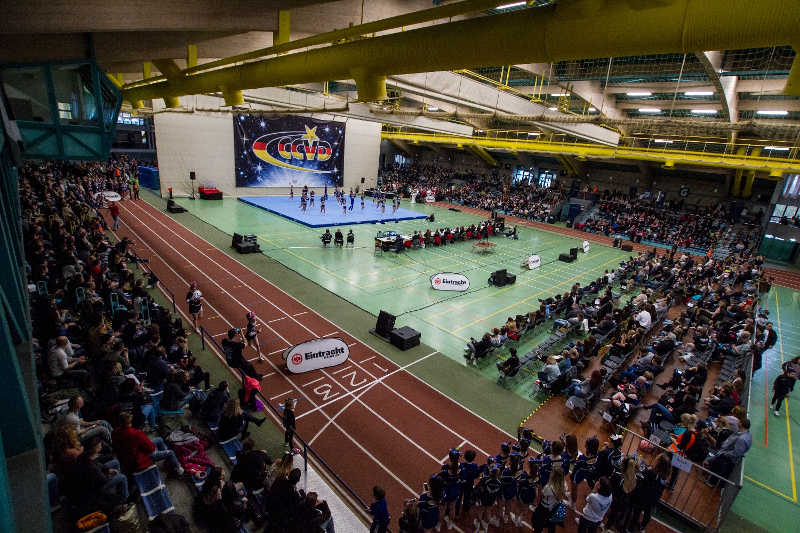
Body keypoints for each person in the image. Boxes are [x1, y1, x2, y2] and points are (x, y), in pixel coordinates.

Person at [111, 412, 184, 476]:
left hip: (125, 458)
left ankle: (168, 462)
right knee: (170, 452)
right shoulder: (136, 433)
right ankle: (179, 471)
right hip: (138, 460)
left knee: (159, 439)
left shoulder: (115, 432)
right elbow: (151, 448)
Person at [531, 463, 567, 533]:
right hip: (555, 507)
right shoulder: (564, 485)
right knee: (552, 525)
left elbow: (542, 494)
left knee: (538, 524)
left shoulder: (549, 487)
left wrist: (539, 488)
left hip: (544, 508)